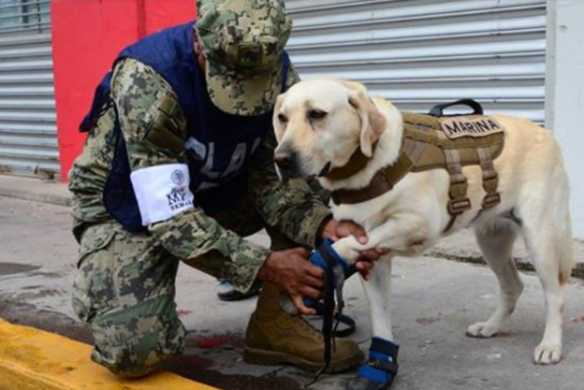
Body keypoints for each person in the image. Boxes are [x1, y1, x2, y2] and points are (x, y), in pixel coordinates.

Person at [68, 0, 382, 378]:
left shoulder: (276, 69)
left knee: (309, 171)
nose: (246, 96)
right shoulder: (149, 80)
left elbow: (273, 175)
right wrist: (261, 266)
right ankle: (109, 283)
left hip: (218, 191)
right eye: (232, 80)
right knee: (135, 353)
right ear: (199, 43)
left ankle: (276, 324)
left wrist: (322, 226)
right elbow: (169, 213)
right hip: (126, 208)